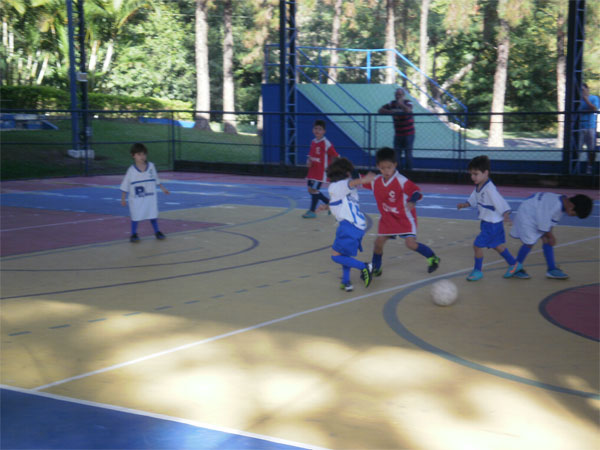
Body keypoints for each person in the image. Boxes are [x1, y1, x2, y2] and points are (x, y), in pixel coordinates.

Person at [364, 147, 440, 277]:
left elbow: (416, 191)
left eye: (389, 167)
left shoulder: (401, 180)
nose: (386, 171)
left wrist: (412, 201)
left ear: (395, 165)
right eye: (383, 168)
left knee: (410, 244)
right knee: (378, 243)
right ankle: (376, 267)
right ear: (378, 166)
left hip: (404, 217)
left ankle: (433, 258)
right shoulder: (375, 181)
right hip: (388, 218)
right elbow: (359, 181)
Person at [457, 155, 520, 281]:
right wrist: (466, 204)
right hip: (489, 223)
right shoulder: (479, 186)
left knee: (477, 245)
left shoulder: (489, 189)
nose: (472, 177)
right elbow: (474, 198)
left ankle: (477, 270)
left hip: (492, 224)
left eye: (476, 174)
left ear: (486, 173)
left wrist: (505, 213)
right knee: (497, 245)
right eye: (471, 174)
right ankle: (514, 264)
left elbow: (499, 201)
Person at [317, 157, 376, 292]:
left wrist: (363, 180)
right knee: (344, 255)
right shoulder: (347, 190)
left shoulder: (339, 185)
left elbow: (350, 183)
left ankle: (365, 267)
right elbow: (338, 201)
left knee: (336, 256)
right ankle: (346, 281)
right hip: (357, 226)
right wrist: (326, 207)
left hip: (349, 226)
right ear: (347, 172)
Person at [509, 192, 592, 279]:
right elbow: (543, 225)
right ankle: (515, 269)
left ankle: (551, 269)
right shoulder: (555, 206)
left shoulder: (562, 203)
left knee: (547, 239)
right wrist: (551, 236)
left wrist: (550, 237)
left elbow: (549, 223)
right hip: (527, 214)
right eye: (573, 214)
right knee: (529, 243)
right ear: (571, 205)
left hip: (535, 211)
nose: (572, 216)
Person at [120, 143, 170, 242]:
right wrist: (123, 198)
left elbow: (156, 178)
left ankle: (157, 231)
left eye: (144, 154)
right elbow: (125, 184)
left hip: (150, 197)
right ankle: (134, 234)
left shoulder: (151, 166)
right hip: (136, 199)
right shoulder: (131, 170)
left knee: (152, 214)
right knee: (136, 215)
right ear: (133, 155)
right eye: (139, 154)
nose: (142, 157)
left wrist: (163, 188)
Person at [303, 119, 339, 218]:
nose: (317, 131)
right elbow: (311, 155)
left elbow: (335, 155)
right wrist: (308, 161)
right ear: (312, 130)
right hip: (312, 171)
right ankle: (329, 204)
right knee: (310, 190)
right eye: (315, 128)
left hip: (320, 172)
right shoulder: (313, 142)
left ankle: (312, 211)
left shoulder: (326, 143)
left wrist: (335, 168)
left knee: (314, 190)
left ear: (324, 131)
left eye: (320, 129)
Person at [378, 87, 415, 170]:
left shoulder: (408, 102)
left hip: (409, 134)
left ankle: (409, 172)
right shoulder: (391, 103)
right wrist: (391, 112)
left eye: (400, 95)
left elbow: (408, 110)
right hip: (398, 134)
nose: (398, 96)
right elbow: (380, 110)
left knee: (408, 153)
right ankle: (398, 171)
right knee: (396, 154)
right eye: (397, 95)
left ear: (403, 95)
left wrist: (400, 103)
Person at [579, 83, 599, 174]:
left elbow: (594, 109)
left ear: (587, 89)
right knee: (577, 149)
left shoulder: (594, 98)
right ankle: (575, 168)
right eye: (580, 90)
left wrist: (586, 99)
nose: (582, 92)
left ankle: (589, 168)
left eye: (583, 90)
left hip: (591, 127)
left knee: (591, 149)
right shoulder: (577, 100)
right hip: (579, 128)